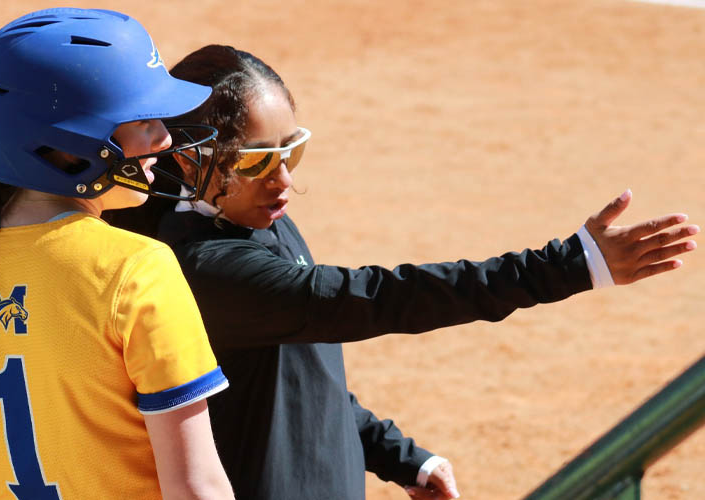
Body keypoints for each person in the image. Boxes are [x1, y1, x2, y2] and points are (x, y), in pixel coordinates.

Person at [105, 45, 698, 500]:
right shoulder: (204, 269)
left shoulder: (252, 215)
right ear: (193, 160)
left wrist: (400, 457)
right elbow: (383, 297)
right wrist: (571, 265)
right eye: (259, 161)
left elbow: (302, 371)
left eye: (292, 151)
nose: (284, 179)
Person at [0, 10, 235, 500]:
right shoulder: (135, 270)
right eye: (143, 120)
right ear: (69, 148)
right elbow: (195, 487)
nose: (164, 138)